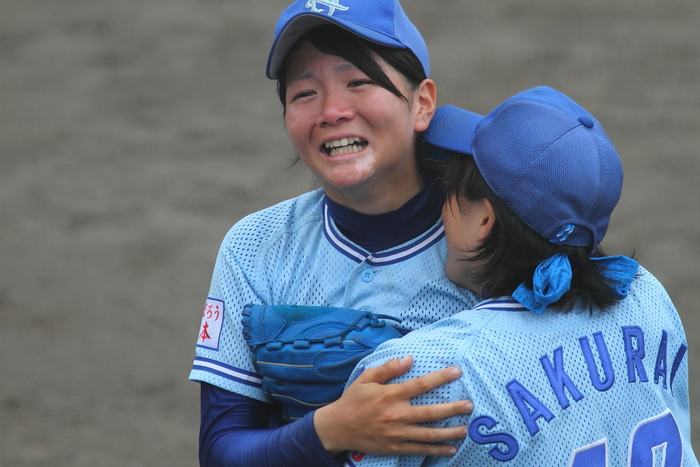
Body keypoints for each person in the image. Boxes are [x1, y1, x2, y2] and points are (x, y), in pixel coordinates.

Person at [341, 86, 699, 466]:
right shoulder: (647, 297)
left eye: (448, 190)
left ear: (483, 220)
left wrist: (315, 431)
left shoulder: (429, 372)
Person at [188, 1, 479, 465]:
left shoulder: (489, 233)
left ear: (422, 103)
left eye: (358, 82)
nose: (332, 111)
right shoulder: (253, 246)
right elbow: (220, 450)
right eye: (304, 93)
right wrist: (330, 429)